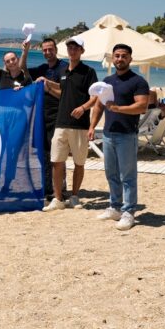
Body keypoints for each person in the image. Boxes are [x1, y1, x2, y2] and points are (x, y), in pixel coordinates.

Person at [89, 44, 150, 230]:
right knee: (111, 174)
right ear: (112, 59)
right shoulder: (107, 81)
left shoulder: (138, 82)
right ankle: (115, 207)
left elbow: (142, 106)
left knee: (128, 176)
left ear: (130, 59)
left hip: (127, 135)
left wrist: (119, 109)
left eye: (124, 56)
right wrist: (92, 126)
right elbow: (99, 106)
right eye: (117, 56)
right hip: (108, 134)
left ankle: (129, 212)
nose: (120, 59)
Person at [41, 35, 98, 211]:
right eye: (70, 48)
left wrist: (83, 107)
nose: (72, 50)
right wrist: (48, 85)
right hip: (61, 123)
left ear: (82, 51)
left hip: (79, 125)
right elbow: (63, 93)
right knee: (56, 161)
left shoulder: (88, 72)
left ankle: (74, 196)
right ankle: (58, 199)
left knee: (79, 163)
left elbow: (95, 97)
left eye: (76, 48)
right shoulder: (63, 71)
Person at [24, 38, 69, 200]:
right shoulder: (42, 68)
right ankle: (47, 188)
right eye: (44, 50)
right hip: (41, 116)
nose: (47, 52)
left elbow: (66, 91)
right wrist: (26, 51)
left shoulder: (64, 68)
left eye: (50, 49)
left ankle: (61, 189)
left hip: (58, 116)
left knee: (57, 154)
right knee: (43, 153)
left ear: (56, 50)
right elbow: (23, 71)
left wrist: (47, 84)